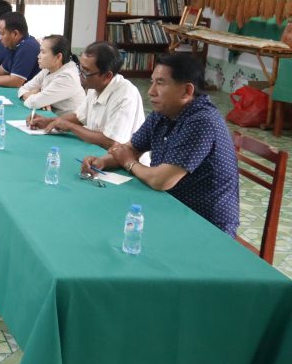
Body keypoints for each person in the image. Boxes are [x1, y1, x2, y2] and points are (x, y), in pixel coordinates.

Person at [82, 53, 239, 237]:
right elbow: (129, 149)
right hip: (170, 204)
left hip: (205, 223)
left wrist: (129, 163)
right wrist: (102, 162)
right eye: (152, 82)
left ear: (187, 91)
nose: (151, 91)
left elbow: (161, 180)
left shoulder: (202, 122)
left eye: (160, 83)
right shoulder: (163, 113)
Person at [29, 41, 145, 149]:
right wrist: (49, 121)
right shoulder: (94, 87)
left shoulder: (125, 95)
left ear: (107, 76)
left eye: (86, 71)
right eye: (80, 68)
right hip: (98, 150)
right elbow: (79, 117)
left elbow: (111, 141)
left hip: (122, 160)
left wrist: (70, 126)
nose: (81, 74)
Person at [17, 35, 85, 114]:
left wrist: (37, 97)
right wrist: (37, 96)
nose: (38, 56)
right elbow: (23, 88)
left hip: (67, 121)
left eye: (43, 52)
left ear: (58, 57)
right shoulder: (48, 69)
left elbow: (34, 103)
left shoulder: (67, 77)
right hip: (52, 118)